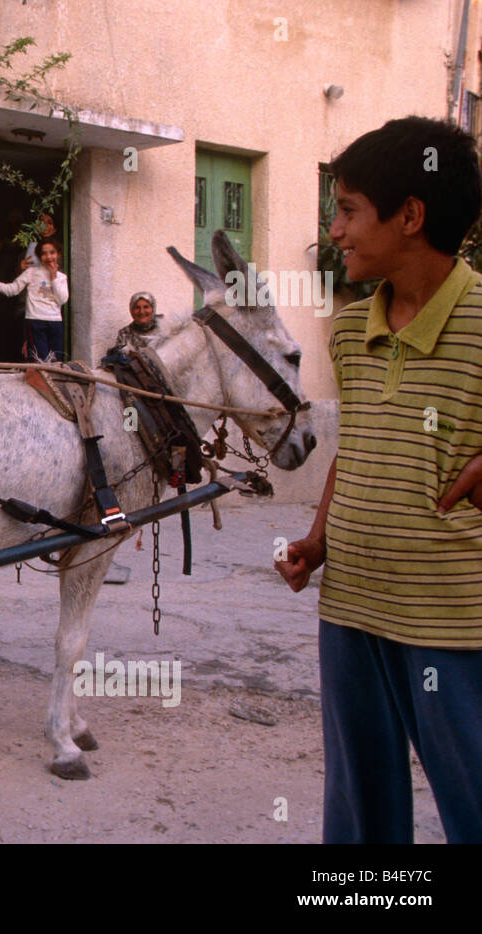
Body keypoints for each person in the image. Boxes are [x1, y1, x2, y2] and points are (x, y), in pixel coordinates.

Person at [274, 116, 482, 844]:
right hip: (352, 604)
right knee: (360, 807)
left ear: (411, 216)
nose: (334, 230)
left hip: (451, 619)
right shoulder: (349, 329)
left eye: (348, 209)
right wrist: (318, 541)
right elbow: (355, 447)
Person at [0, 239, 69, 361]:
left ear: (58, 254)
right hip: (35, 321)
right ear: (39, 256)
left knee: (57, 360)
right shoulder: (32, 272)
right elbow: (12, 289)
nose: (48, 257)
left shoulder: (61, 277)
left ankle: (52, 381)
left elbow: (62, 300)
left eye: (52, 252)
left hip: (55, 322)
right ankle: (37, 380)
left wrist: (53, 277)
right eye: (44, 253)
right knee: (38, 360)